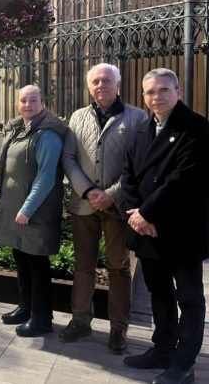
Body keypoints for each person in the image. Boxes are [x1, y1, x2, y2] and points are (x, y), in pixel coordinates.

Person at [122, 68, 209, 384]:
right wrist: (137, 217)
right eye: (150, 92)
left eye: (163, 90)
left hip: (180, 229)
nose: (156, 97)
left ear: (178, 92)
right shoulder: (142, 130)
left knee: (189, 298)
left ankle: (184, 365)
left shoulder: (197, 128)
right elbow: (128, 175)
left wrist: (147, 213)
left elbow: (185, 179)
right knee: (158, 292)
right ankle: (162, 349)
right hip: (147, 229)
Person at [60, 63, 147, 353]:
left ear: (118, 84)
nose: (101, 85)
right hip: (84, 206)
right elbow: (69, 158)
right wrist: (87, 190)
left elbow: (140, 165)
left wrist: (110, 194)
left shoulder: (137, 118)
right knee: (83, 265)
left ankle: (118, 329)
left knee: (119, 268)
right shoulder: (78, 117)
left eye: (106, 80)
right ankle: (80, 320)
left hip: (118, 209)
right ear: (89, 87)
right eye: (95, 81)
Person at [0, 85, 68, 337]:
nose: (28, 104)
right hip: (17, 210)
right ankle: (26, 308)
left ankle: (42, 318)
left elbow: (46, 178)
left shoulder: (47, 135)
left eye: (33, 100)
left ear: (42, 102)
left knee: (37, 264)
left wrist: (27, 209)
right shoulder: (19, 130)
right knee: (21, 260)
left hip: (34, 212)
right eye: (23, 100)